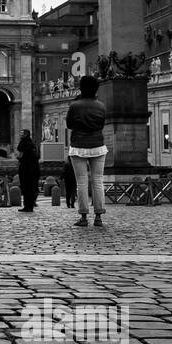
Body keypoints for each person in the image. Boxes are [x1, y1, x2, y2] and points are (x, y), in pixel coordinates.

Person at [66, 74, 108, 228]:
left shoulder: (74, 106)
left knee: (81, 183)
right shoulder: (101, 106)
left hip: (78, 146)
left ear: (81, 88)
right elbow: (102, 124)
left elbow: (69, 125)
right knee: (98, 181)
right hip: (98, 145)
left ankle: (83, 217)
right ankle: (98, 217)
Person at [16, 129, 40, 212]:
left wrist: (20, 159)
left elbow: (20, 154)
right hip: (34, 169)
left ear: (25, 135)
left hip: (26, 169)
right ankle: (30, 205)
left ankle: (27, 206)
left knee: (26, 188)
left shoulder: (24, 143)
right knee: (31, 188)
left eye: (22, 133)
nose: (20, 135)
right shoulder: (32, 144)